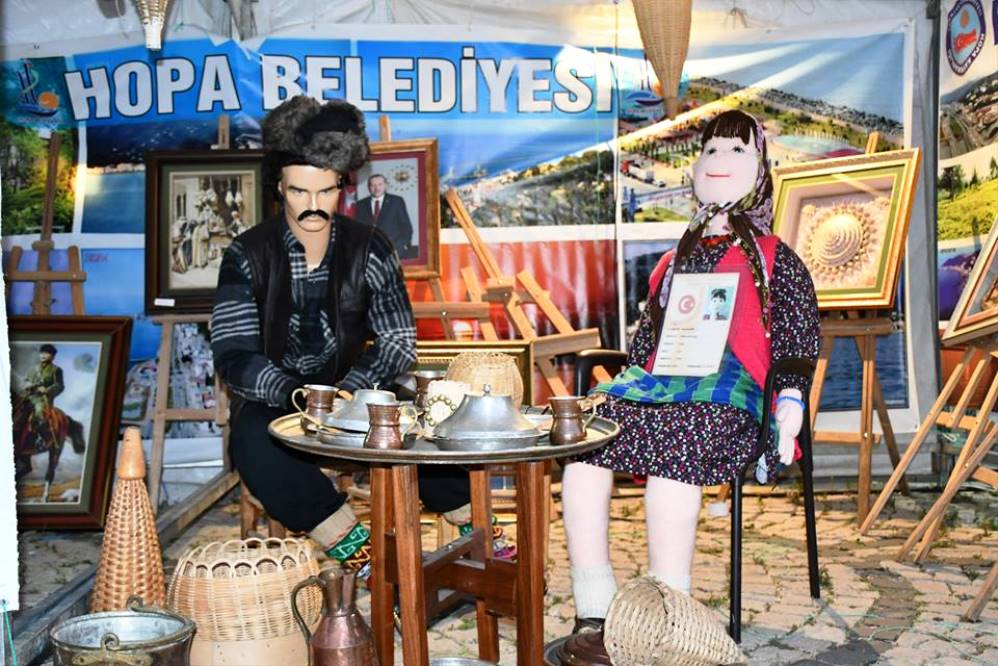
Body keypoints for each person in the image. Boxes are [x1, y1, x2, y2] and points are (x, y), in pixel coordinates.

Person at [211, 96, 508, 577]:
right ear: (279, 187)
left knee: (424, 428)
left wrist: (351, 392)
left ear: (341, 188)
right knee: (254, 442)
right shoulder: (246, 253)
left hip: (360, 390)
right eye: (298, 191)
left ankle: (485, 543)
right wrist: (297, 395)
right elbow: (233, 353)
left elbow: (397, 340)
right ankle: (366, 557)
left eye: (324, 191)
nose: (312, 205)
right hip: (276, 398)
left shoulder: (371, 247)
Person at [562, 110, 819, 637]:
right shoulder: (673, 261)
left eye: (736, 150)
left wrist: (791, 401)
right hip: (662, 382)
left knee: (675, 459)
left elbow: (796, 337)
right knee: (585, 448)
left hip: (733, 391)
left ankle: (669, 609)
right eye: (711, 150)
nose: (719, 160)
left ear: (759, 169)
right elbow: (645, 347)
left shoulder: (777, 261)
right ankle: (594, 600)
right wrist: (629, 381)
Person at [353, 173, 416, 259]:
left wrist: (400, 247)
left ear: (386, 185)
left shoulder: (396, 201)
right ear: (368, 187)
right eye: (373, 185)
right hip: (369, 253)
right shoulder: (361, 204)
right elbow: (358, 230)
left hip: (394, 251)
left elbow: (406, 228)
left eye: (380, 184)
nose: (377, 188)